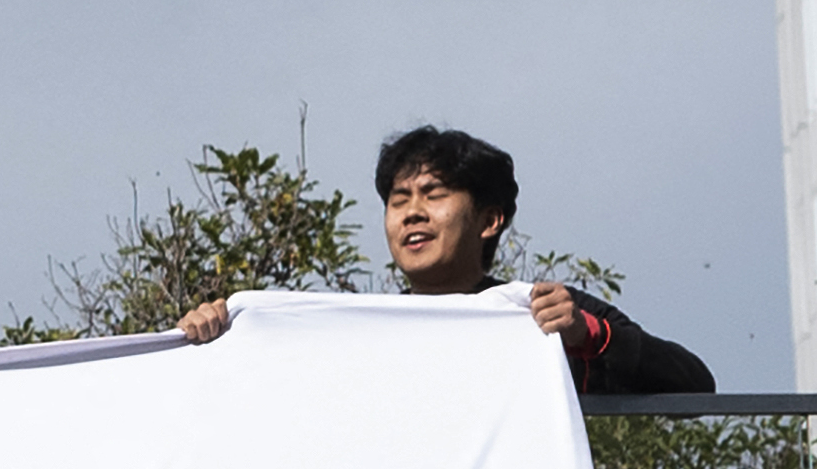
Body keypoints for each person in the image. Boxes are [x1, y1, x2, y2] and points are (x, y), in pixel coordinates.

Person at [177, 126, 712, 392]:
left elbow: (692, 382)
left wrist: (587, 336)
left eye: (434, 195)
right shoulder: (358, 332)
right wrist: (207, 340)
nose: (412, 214)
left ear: (489, 219)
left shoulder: (538, 317)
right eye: (398, 200)